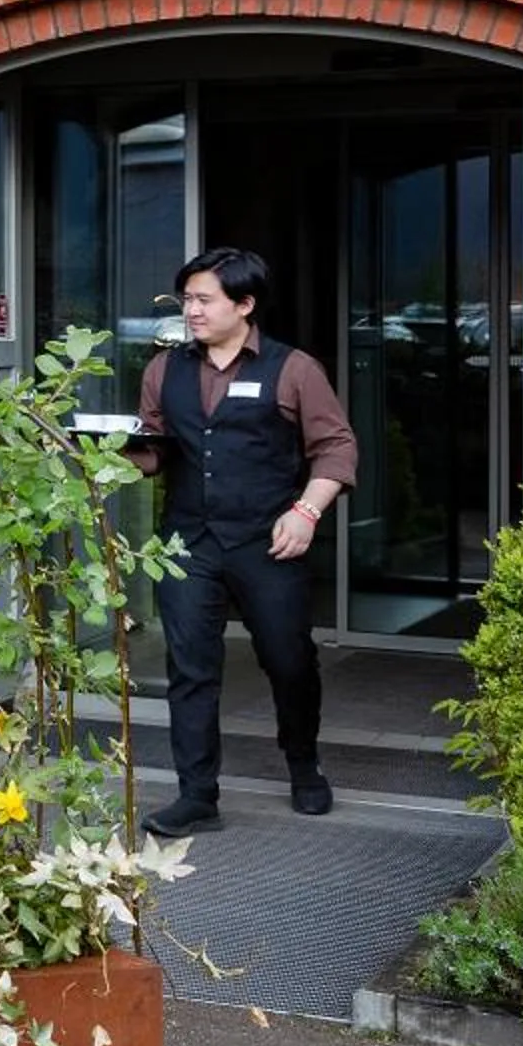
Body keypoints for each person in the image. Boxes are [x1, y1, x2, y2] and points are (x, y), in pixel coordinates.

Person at [125, 248, 359, 836]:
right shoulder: (164, 370)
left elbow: (336, 447)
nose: (192, 311)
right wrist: (108, 453)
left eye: (204, 300)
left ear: (244, 305)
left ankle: (304, 766)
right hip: (188, 542)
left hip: (266, 541)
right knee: (191, 669)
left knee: (288, 659)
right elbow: (154, 452)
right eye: (187, 300)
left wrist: (307, 511)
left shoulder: (293, 369)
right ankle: (197, 795)